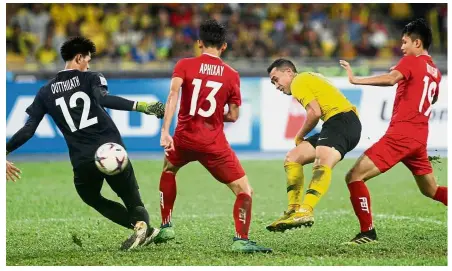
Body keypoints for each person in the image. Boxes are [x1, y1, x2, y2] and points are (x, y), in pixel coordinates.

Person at [6, 36, 165, 251]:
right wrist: (143, 106)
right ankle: (142, 224)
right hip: (111, 149)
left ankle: (138, 227)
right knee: (131, 197)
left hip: (82, 159)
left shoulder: (45, 92)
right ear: (78, 57)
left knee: (90, 196)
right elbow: (104, 99)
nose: (88, 65)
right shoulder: (90, 78)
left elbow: (28, 130)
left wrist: (4, 150)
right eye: (87, 60)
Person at [156, 19, 271, 253]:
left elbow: (173, 95)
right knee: (244, 190)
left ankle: (166, 225)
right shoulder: (231, 75)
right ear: (224, 46)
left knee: (169, 169)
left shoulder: (184, 65)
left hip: (184, 139)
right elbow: (234, 116)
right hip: (213, 144)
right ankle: (241, 239)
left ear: (199, 43)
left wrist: (165, 131)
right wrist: (216, 116)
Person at [339, 18, 447, 245]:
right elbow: (432, 97)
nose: (402, 47)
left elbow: (390, 80)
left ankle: (367, 232)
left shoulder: (411, 60)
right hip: (419, 138)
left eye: (405, 42)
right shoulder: (434, 71)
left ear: (417, 43)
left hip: (401, 135)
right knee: (431, 190)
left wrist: (355, 79)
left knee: (354, 176)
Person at [266, 59, 362, 232]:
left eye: (276, 79)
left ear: (288, 71)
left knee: (322, 160)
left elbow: (314, 112)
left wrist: (300, 135)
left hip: (342, 121)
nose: (276, 86)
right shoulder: (308, 77)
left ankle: (306, 210)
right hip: (336, 123)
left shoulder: (298, 81)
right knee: (293, 158)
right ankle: (294, 210)